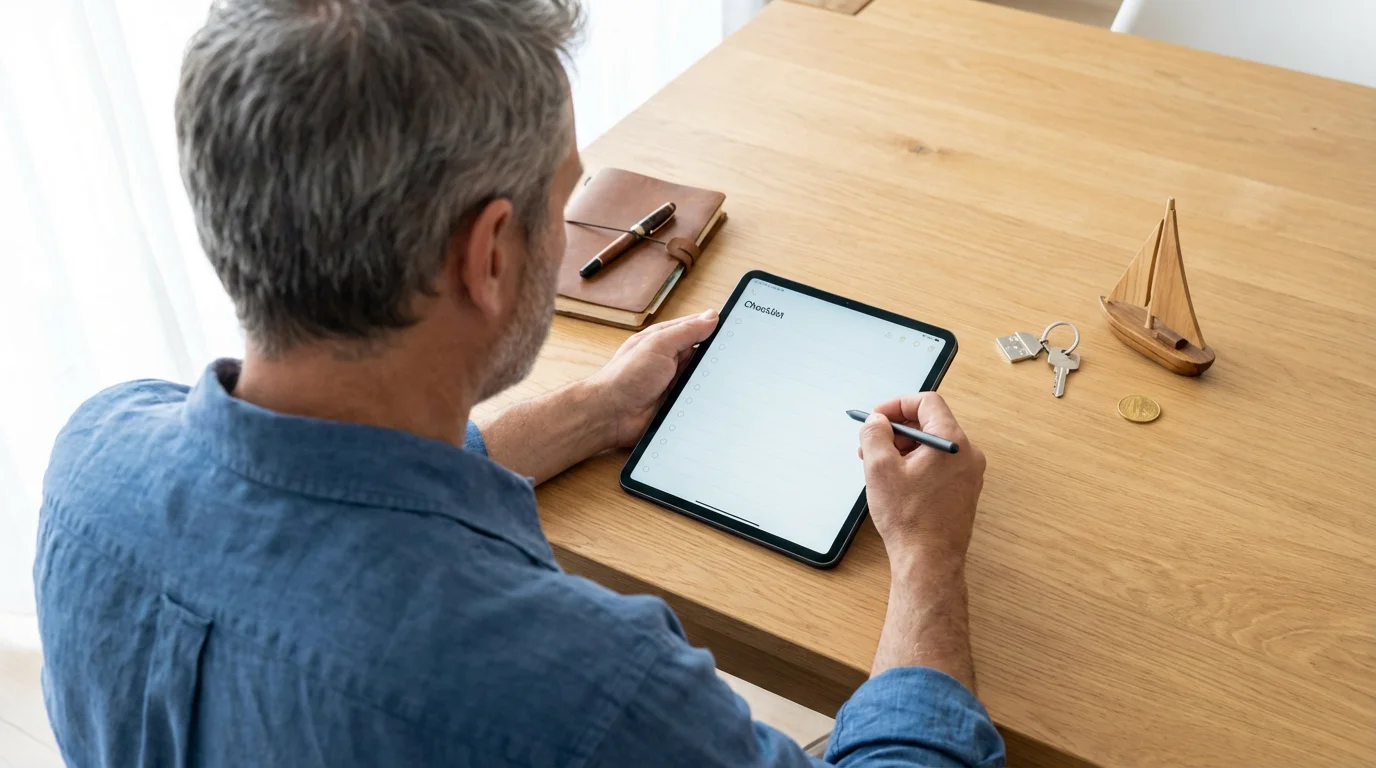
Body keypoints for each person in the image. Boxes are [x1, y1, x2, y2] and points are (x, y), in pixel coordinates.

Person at [34, 1, 1005, 766]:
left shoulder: (91, 459)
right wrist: (924, 554)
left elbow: (313, 504)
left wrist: (591, 410)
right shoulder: (579, 688)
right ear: (491, 253)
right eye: (565, 197)